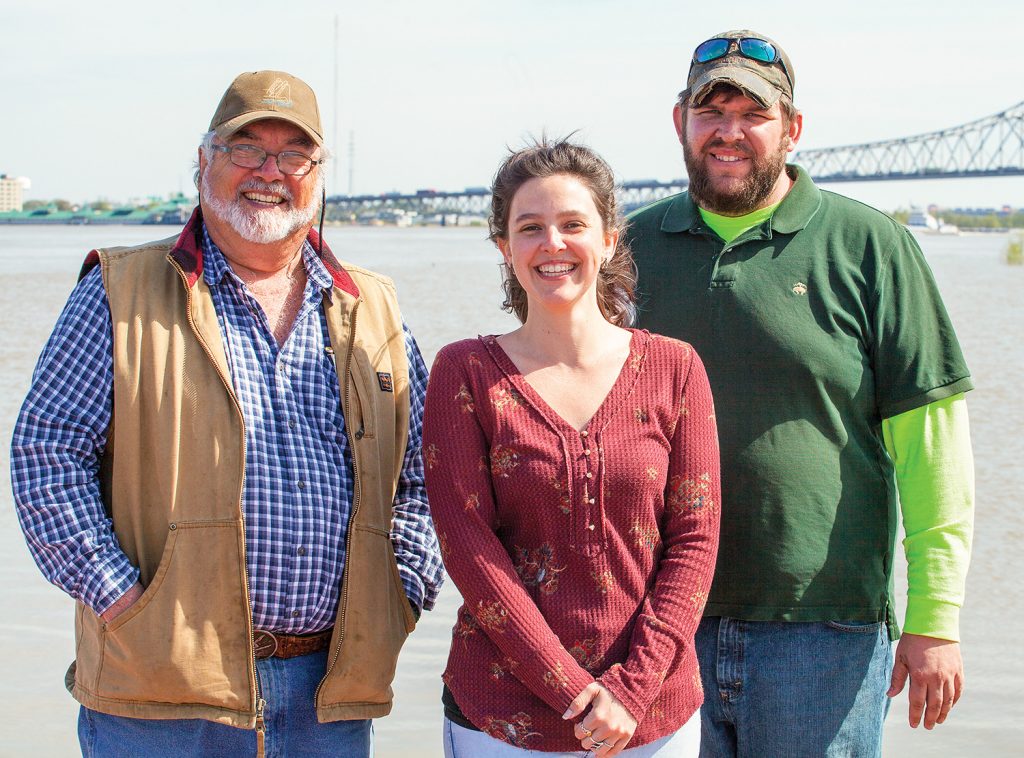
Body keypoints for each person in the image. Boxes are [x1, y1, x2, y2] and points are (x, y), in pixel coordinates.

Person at [10, 69, 443, 757]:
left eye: (293, 155)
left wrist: (403, 591)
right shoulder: (119, 291)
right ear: (203, 161)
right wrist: (125, 603)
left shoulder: (375, 309)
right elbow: (46, 454)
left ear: (318, 174)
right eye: (247, 148)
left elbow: (422, 477)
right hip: (159, 698)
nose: (270, 172)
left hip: (330, 694)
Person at [625, 30, 975, 758]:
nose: (728, 131)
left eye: (752, 113)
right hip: (651, 623)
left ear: (793, 128)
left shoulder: (871, 245)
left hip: (823, 632)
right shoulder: (626, 249)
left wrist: (935, 618)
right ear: (678, 121)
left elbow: (933, 445)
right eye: (709, 110)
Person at [422, 139, 720, 757]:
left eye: (573, 224)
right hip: (503, 722)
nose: (552, 244)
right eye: (530, 228)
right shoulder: (465, 372)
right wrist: (576, 694)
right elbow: (469, 550)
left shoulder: (675, 367)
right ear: (505, 248)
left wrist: (630, 693)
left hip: (653, 719)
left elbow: (696, 539)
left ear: (610, 238)